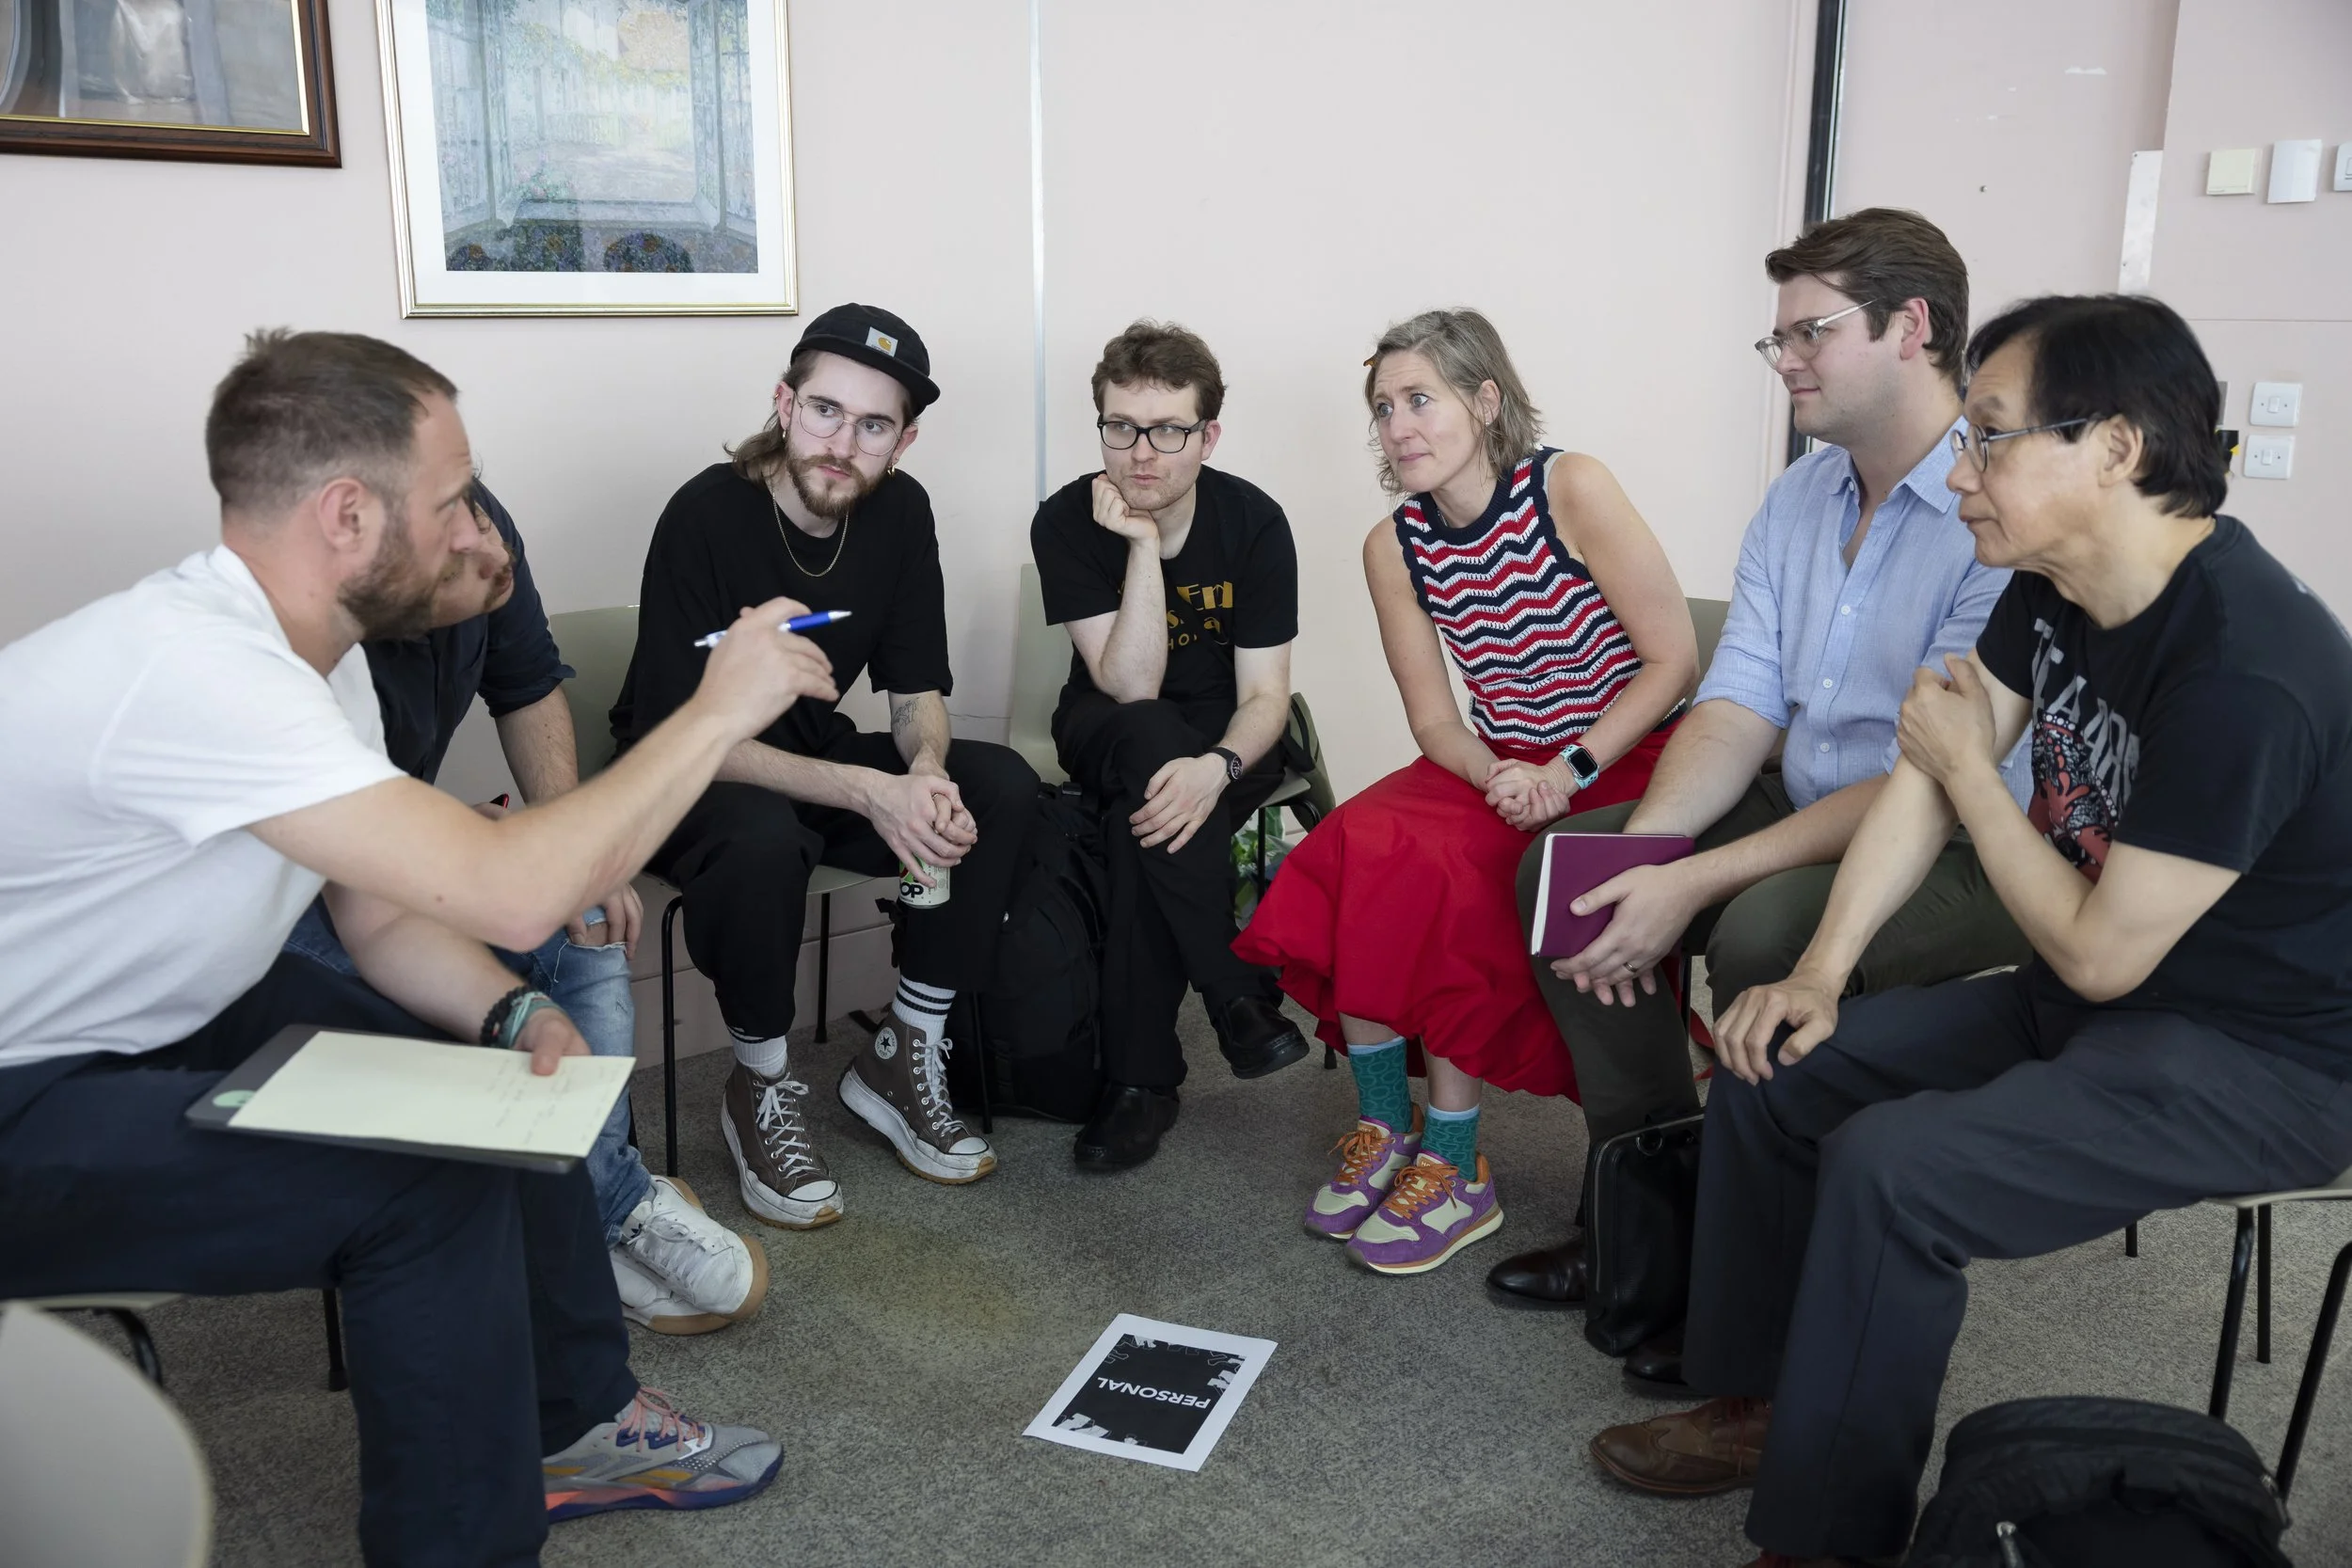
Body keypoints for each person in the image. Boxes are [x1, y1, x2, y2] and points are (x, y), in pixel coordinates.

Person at [0, 329, 840, 1561]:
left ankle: (572, 1425)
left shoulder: (312, 658)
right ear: (348, 515)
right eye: (452, 501)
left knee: (499, 1092)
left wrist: (509, 1013)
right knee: (424, 1187)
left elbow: (379, 913)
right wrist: (717, 712)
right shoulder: (197, 668)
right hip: (26, 1079)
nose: (476, 532)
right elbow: (516, 893)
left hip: (139, 1013)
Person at [1592, 293, 2352, 1568]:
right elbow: (1926, 772)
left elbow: (2093, 939)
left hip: (2259, 1056)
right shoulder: (2051, 585)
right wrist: (1821, 972)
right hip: (2098, 1001)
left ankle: (1823, 1538)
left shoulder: (2247, 668)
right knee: (1778, 1065)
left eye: (1989, 436)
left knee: (1900, 1170)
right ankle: (1767, 1407)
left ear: (2113, 448)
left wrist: (1971, 776)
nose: (1959, 472)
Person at [1490, 212, 2032, 1369]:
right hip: (1806, 793)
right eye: (1775, 337)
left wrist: (1692, 882)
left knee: (1759, 931)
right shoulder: (1798, 498)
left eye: (1807, 332)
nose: (1782, 358)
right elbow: (1737, 705)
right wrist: (1642, 861)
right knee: (1568, 875)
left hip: (1960, 837)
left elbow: (1926, 779)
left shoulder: (1991, 513)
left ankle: (1762, 1275)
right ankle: (1652, 1207)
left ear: (1910, 328)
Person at [1235, 309, 1697, 1275]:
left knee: (1447, 875)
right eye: (1382, 407)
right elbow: (1436, 723)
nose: (1397, 426)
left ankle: (1455, 1164)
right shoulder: (1394, 543)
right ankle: (1383, 1128)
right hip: (1502, 761)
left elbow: (1672, 662)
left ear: (1485, 401)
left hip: (1624, 752)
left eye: (1419, 399)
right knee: (1356, 845)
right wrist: (1500, 775)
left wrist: (1563, 772)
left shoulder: (1571, 486)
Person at [282, 483, 762, 1336]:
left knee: (585, 919)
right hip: (272, 922)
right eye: (458, 524)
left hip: (380, 869)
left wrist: (565, 850)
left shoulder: (477, 532)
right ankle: (595, 1210)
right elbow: (333, 850)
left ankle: (602, 1202)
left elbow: (528, 684)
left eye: (474, 501)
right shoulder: (292, 642)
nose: (492, 540)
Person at [614, 303, 1039, 1227]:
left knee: (998, 784)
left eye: (874, 425)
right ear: (784, 403)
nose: (843, 444)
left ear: (904, 441)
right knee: (762, 840)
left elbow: (916, 689)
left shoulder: (901, 513)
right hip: (687, 771)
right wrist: (867, 789)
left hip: (808, 748)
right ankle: (759, 1085)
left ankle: (904, 1048)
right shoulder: (706, 513)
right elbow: (686, 733)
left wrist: (924, 772)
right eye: (825, 410)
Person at [1029, 320, 1309, 1171]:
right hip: (1108, 726)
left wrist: (1217, 768)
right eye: (1121, 427)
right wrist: (1143, 546)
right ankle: (1233, 992)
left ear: (1207, 436)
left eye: (1168, 431)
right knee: (1150, 739)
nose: (1141, 453)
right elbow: (1129, 684)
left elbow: (1265, 697)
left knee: (1137, 827)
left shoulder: (1255, 523)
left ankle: (1140, 1083)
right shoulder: (1066, 520)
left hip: (1228, 739)